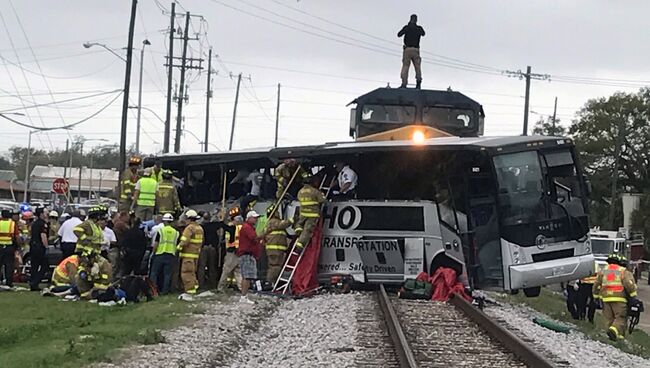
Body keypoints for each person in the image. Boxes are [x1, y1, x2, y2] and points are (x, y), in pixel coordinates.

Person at [593, 254, 638, 341]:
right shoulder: (622, 271)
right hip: (619, 298)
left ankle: (614, 337)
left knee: (609, 319)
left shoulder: (603, 271)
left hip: (606, 298)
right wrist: (633, 296)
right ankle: (614, 332)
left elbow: (596, 285)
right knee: (620, 317)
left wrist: (596, 296)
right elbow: (629, 285)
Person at [294, 175, 326, 253]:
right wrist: (321, 193)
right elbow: (323, 200)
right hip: (312, 214)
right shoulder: (314, 191)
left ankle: (298, 228)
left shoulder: (300, 191)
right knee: (307, 231)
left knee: (300, 223)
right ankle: (299, 246)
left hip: (303, 213)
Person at [263, 205, 293, 285]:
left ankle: (272, 283)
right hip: (275, 249)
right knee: (275, 267)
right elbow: (282, 224)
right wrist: (292, 220)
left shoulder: (271, 222)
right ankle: (269, 283)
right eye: (277, 212)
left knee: (275, 266)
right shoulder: (273, 221)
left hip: (276, 249)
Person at [236, 210, 262, 304]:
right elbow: (254, 238)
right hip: (247, 255)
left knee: (247, 276)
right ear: (249, 218)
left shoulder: (248, 227)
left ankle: (244, 296)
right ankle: (243, 297)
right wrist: (264, 234)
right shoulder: (247, 227)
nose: (256, 220)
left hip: (248, 255)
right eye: (254, 218)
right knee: (247, 276)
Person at [150, 213, 179, 294]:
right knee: (167, 274)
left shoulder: (161, 231)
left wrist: (153, 253)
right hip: (171, 255)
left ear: (164, 221)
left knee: (154, 273)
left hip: (160, 254)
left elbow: (156, 243)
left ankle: (153, 290)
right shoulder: (176, 232)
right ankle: (165, 291)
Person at [177, 209, 204, 297]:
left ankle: (190, 290)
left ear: (188, 219)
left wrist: (178, 247)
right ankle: (195, 287)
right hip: (195, 254)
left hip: (187, 255)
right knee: (192, 272)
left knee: (186, 273)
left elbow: (185, 240)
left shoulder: (189, 228)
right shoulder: (199, 228)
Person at [217, 208, 243, 292]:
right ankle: (241, 288)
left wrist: (222, 219)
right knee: (238, 272)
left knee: (226, 271)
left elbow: (224, 226)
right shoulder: (243, 228)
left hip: (232, 252)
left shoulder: (233, 228)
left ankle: (221, 288)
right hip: (241, 252)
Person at [397, 14, 425, 89]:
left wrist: (407, 29)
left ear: (410, 19)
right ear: (416, 20)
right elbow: (423, 34)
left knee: (405, 66)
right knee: (417, 67)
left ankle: (404, 83)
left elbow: (399, 34)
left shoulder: (407, 27)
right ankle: (418, 83)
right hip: (416, 50)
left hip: (407, 49)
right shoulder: (419, 28)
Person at [29, 207, 50, 291]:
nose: (47, 214)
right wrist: (46, 247)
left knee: (34, 266)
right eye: (45, 213)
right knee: (45, 266)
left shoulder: (34, 223)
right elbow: (43, 236)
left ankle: (33, 283)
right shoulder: (43, 224)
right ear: (41, 214)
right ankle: (35, 282)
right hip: (39, 247)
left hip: (33, 246)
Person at [0, 209, 19, 288]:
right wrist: (17, 245)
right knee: (9, 265)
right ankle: (9, 282)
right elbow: (16, 236)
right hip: (9, 247)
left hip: (0, 246)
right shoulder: (12, 224)